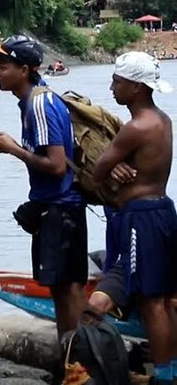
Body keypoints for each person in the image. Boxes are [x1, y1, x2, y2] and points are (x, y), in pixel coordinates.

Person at [0, 35, 88, 342]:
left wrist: (14, 149)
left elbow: (57, 165)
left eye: (3, 66)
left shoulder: (39, 104)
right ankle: (74, 357)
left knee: (66, 289)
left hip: (60, 208)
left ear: (25, 69)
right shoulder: (34, 100)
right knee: (63, 287)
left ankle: (76, 362)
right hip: (61, 207)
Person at [92, 52, 177, 385]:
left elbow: (98, 172)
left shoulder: (136, 127)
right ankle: (170, 368)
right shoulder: (163, 120)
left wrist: (111, 164)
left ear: (137, 87)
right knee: (167, 299)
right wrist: (118, 164)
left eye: (118, 81)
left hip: (141, 217)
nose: (112, 87)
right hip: (163, 209)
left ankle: (164, 375)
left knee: (151, 300)